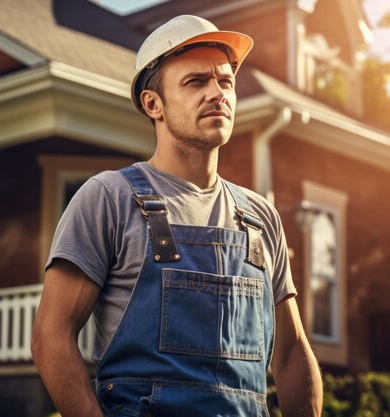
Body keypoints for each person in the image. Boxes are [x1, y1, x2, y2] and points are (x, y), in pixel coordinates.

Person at [31, 15, 322, 417]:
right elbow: (52, 336)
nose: (218, 93)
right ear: (154, 104)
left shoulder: (259, 217)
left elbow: (289, 355)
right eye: (196, 82)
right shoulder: (110, 198)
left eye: (226, 82)